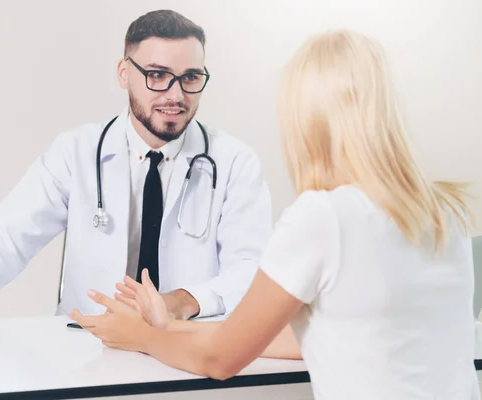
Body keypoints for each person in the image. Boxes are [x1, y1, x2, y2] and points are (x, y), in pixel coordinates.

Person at [70, 29, 479, 399]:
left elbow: (221, 359)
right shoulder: (447, 211)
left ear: (307, 121)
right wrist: (168, 325)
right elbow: (301, 338)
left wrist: (141, 337)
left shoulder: (323, 217)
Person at [0, 10, 273, 323]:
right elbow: (9, 237)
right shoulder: (76, 151)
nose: (176, 94)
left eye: (190, 77)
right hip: (85, 347)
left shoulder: (234, 162)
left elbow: (252, 269)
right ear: (125, 73)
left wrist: (182, 301)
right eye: (157, 75)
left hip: (189, 350)